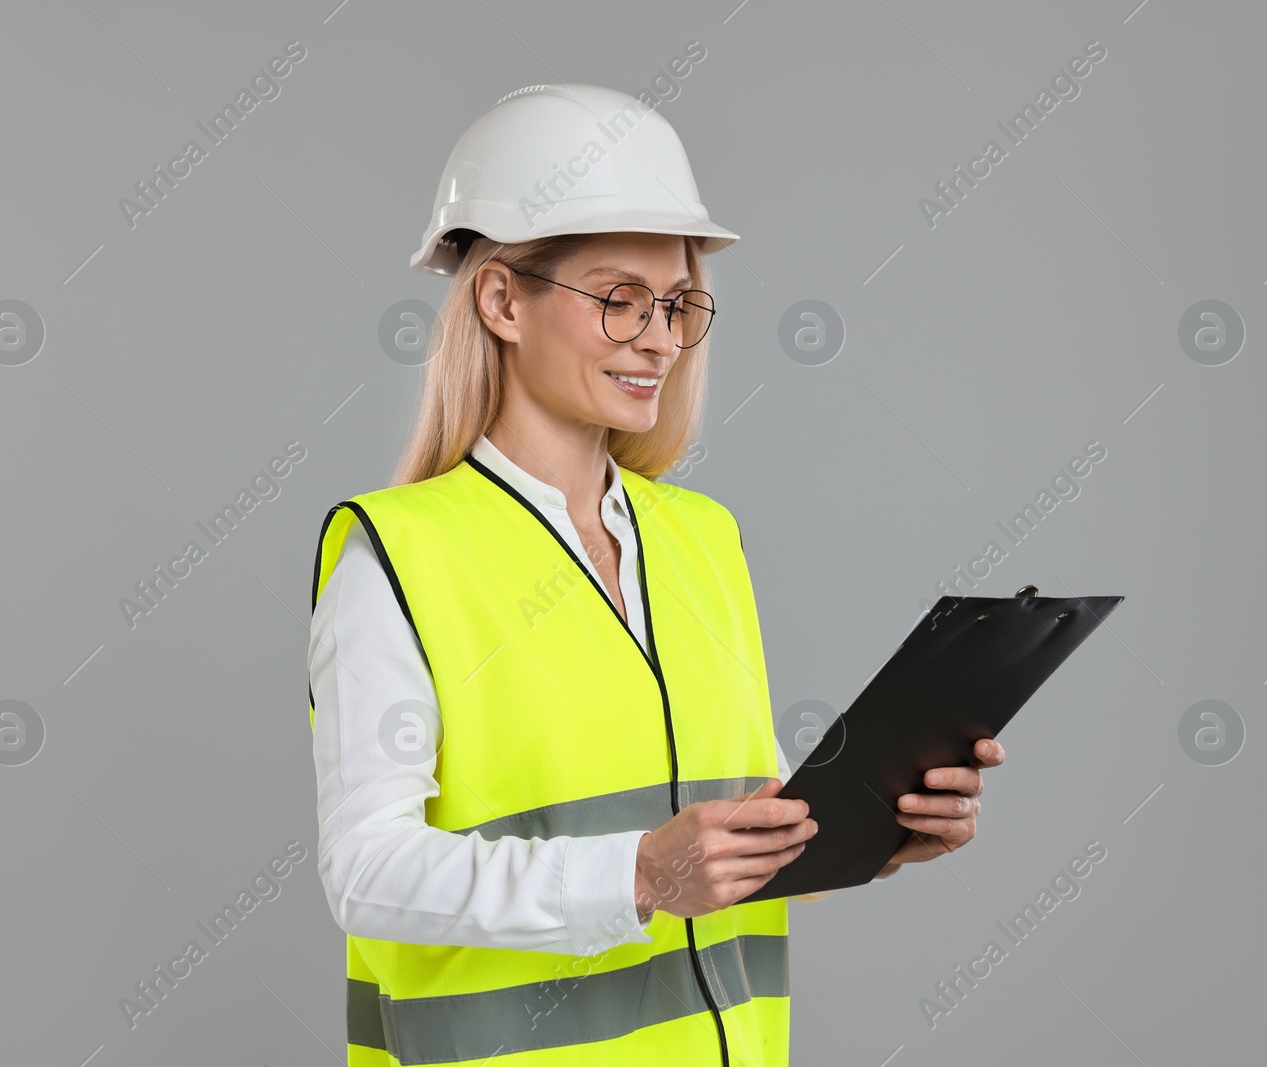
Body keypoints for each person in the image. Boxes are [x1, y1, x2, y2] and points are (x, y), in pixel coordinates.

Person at [308, 83, 1006, 1067]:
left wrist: (876, 832)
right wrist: (636, 873)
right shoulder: (400, 554)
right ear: (502, 299)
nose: (661, 338)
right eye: (619, 299)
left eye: (678, 303)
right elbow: (366, 870)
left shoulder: (700, 538)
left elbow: (733, 836)